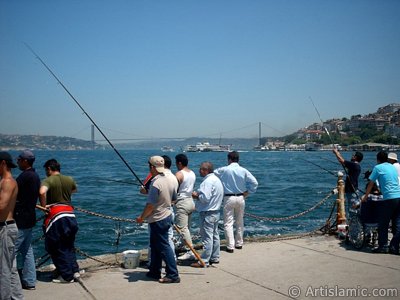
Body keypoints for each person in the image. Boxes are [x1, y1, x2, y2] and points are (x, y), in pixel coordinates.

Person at [136, 156, 180, 284]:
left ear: (152, 167)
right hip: (167, 215)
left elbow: (150, 205)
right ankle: (154, 271)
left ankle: (173, 274)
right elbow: (174, 198)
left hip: (158, 218)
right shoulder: (172, 179)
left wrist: (141, 217)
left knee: (164, 246)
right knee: (155, 246)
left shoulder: (155, 182)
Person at [39, 159, 80, 283]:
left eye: (46, 170)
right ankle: (74, 271)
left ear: (49, 169)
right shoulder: (69, 179)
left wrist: (44, 206)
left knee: (56, 246)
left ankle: (66, 276)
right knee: (69, 245)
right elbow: (74, 190)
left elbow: (41, 192)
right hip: (70, 215)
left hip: (56, 216)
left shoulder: (48, 180)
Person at [214, 151, 258, 253]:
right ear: (238, 159)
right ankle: (239, 243)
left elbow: (214, 172)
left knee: (228, 222)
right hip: (241, 197)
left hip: (229, 198)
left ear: (229, 159)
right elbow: (255, 182)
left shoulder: (224, 169)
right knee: (239, 221)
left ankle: (230, 246)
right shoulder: (243, 170)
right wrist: (248, 192)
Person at [362, 151, 400, 254]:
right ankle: (395, 246)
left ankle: (383, 246)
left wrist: (365, 197)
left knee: (383, 223)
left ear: (378, 159)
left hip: (389, 198)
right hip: (398, 196)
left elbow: (371, 183)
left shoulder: (378, 168)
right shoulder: (392, 167)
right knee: (397, 223)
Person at [14, 150, 41, 290]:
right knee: (27, 250)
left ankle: (11, 285)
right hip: (30, 218)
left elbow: (14, 196)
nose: (17, 161)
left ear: (25, 161)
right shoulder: (35, 176)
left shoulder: (24, 177)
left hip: (21, 219)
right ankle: (30, 281)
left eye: (19, 159)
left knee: (10, 252)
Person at [0, 151, 24, 300]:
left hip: (4, 228)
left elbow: (2, 206)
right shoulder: (5, 181)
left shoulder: (7, 182)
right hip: (7, 227)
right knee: (11, 268)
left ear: (3, 163)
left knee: (3, 270)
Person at [191, 161, 224, 268]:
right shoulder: (217, 180)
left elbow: (205, 198)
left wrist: (195, 195)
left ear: (205, 170)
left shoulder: (207, 182)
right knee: (215, 235)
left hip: (207, 212)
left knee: (207, 237)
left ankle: (204, 260)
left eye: (201, 169)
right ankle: (215, 257)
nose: (199, 170)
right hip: (215, 212)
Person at [174, 154, 196, 260]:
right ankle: (183, 244)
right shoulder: (192, 173)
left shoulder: (179, 174)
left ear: (179, 163)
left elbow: (173, 188)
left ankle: (190, 250)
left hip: (182, 202)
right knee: (187, 227)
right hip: (190, 202)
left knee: (182, 228)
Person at [333, 148, 363, 214]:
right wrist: (338, 154)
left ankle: (354, 224)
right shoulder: (354, 165)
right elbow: (343, 162)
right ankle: (354, 222)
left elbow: (341, 160)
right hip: (353, 190)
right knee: (353, 208)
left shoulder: (354, 165)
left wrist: (336, 152)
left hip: (352, 191)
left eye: (353, 155)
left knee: (352, 210)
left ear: (355, 157)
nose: (352, 156)